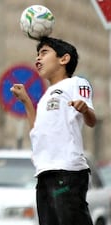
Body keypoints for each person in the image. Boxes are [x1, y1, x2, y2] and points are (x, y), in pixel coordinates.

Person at [10, 36, 97, 225]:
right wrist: (26, 101)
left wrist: (84, 109)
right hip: (44, 173)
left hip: (67, 171)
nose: (38, 59)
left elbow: (91, 120)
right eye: (37, 54)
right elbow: (36, 132)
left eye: (44, 53)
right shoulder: (44, 97)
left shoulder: (76, 83)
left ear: (64, 59)